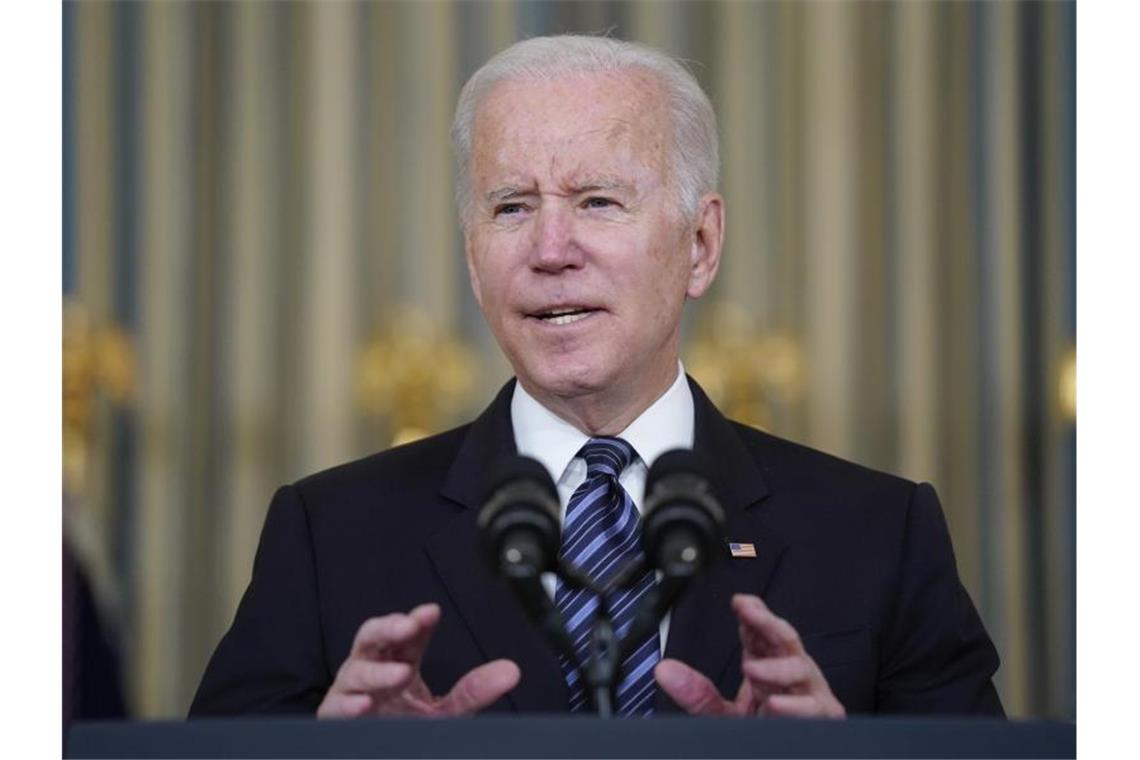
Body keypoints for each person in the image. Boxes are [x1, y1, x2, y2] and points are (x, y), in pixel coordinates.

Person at [190, 35, 1002, 719]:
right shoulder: (330, 535)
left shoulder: (878, 534)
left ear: (700, 244)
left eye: (598, 201)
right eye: (511, 207)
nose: (550, 250)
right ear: (474, 260)